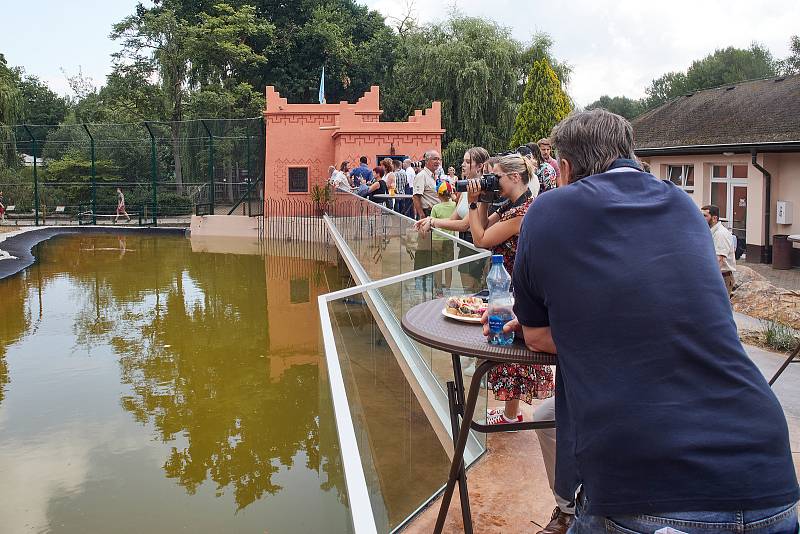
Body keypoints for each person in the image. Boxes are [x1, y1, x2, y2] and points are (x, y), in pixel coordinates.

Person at [503, 109, 797, 534]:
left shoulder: (549, 209)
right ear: (629, 152)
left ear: (564, 167)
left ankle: (565, 510)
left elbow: (538, 336)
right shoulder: (682, 203)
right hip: (769, 478)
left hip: (646, 485)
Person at [464, 153, 554, 427]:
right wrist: (483, 199)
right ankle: (508, 413)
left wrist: (472, 201)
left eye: (498, 177)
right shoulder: (511, 207)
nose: (495, 182)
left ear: (515, 177)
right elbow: (481, 226)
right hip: (507, 287)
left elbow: (479, 239)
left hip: (516, 291)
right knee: (507, 351)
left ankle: (509, 417)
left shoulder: (522, 213)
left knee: (512, 355)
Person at [702, 204, 737, 297]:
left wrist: (710, 279)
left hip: (721, 278)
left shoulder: (720, 234)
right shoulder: (710, 231)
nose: (701, 218)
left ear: (714, 218)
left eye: (705, 216)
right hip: (716, 277)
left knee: (719, 309)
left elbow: (719, 260)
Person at [429, 181, 457, 290]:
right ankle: (448, 288)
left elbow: (431, 223)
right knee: (448, 265)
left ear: (438, 194)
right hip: (449, 239)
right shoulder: (455, 205)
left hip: (436, 239)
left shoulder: (436, 208)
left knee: (437, 266)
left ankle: (439, 289)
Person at [412, 150, 441, 219]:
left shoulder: (434, 175)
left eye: (439, 159)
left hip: (436, 213)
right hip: (427, 213)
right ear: (427, 161)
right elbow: (416, 197)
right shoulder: (421, 176)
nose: (437, 162)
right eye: (434, 159)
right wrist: (421, 215)